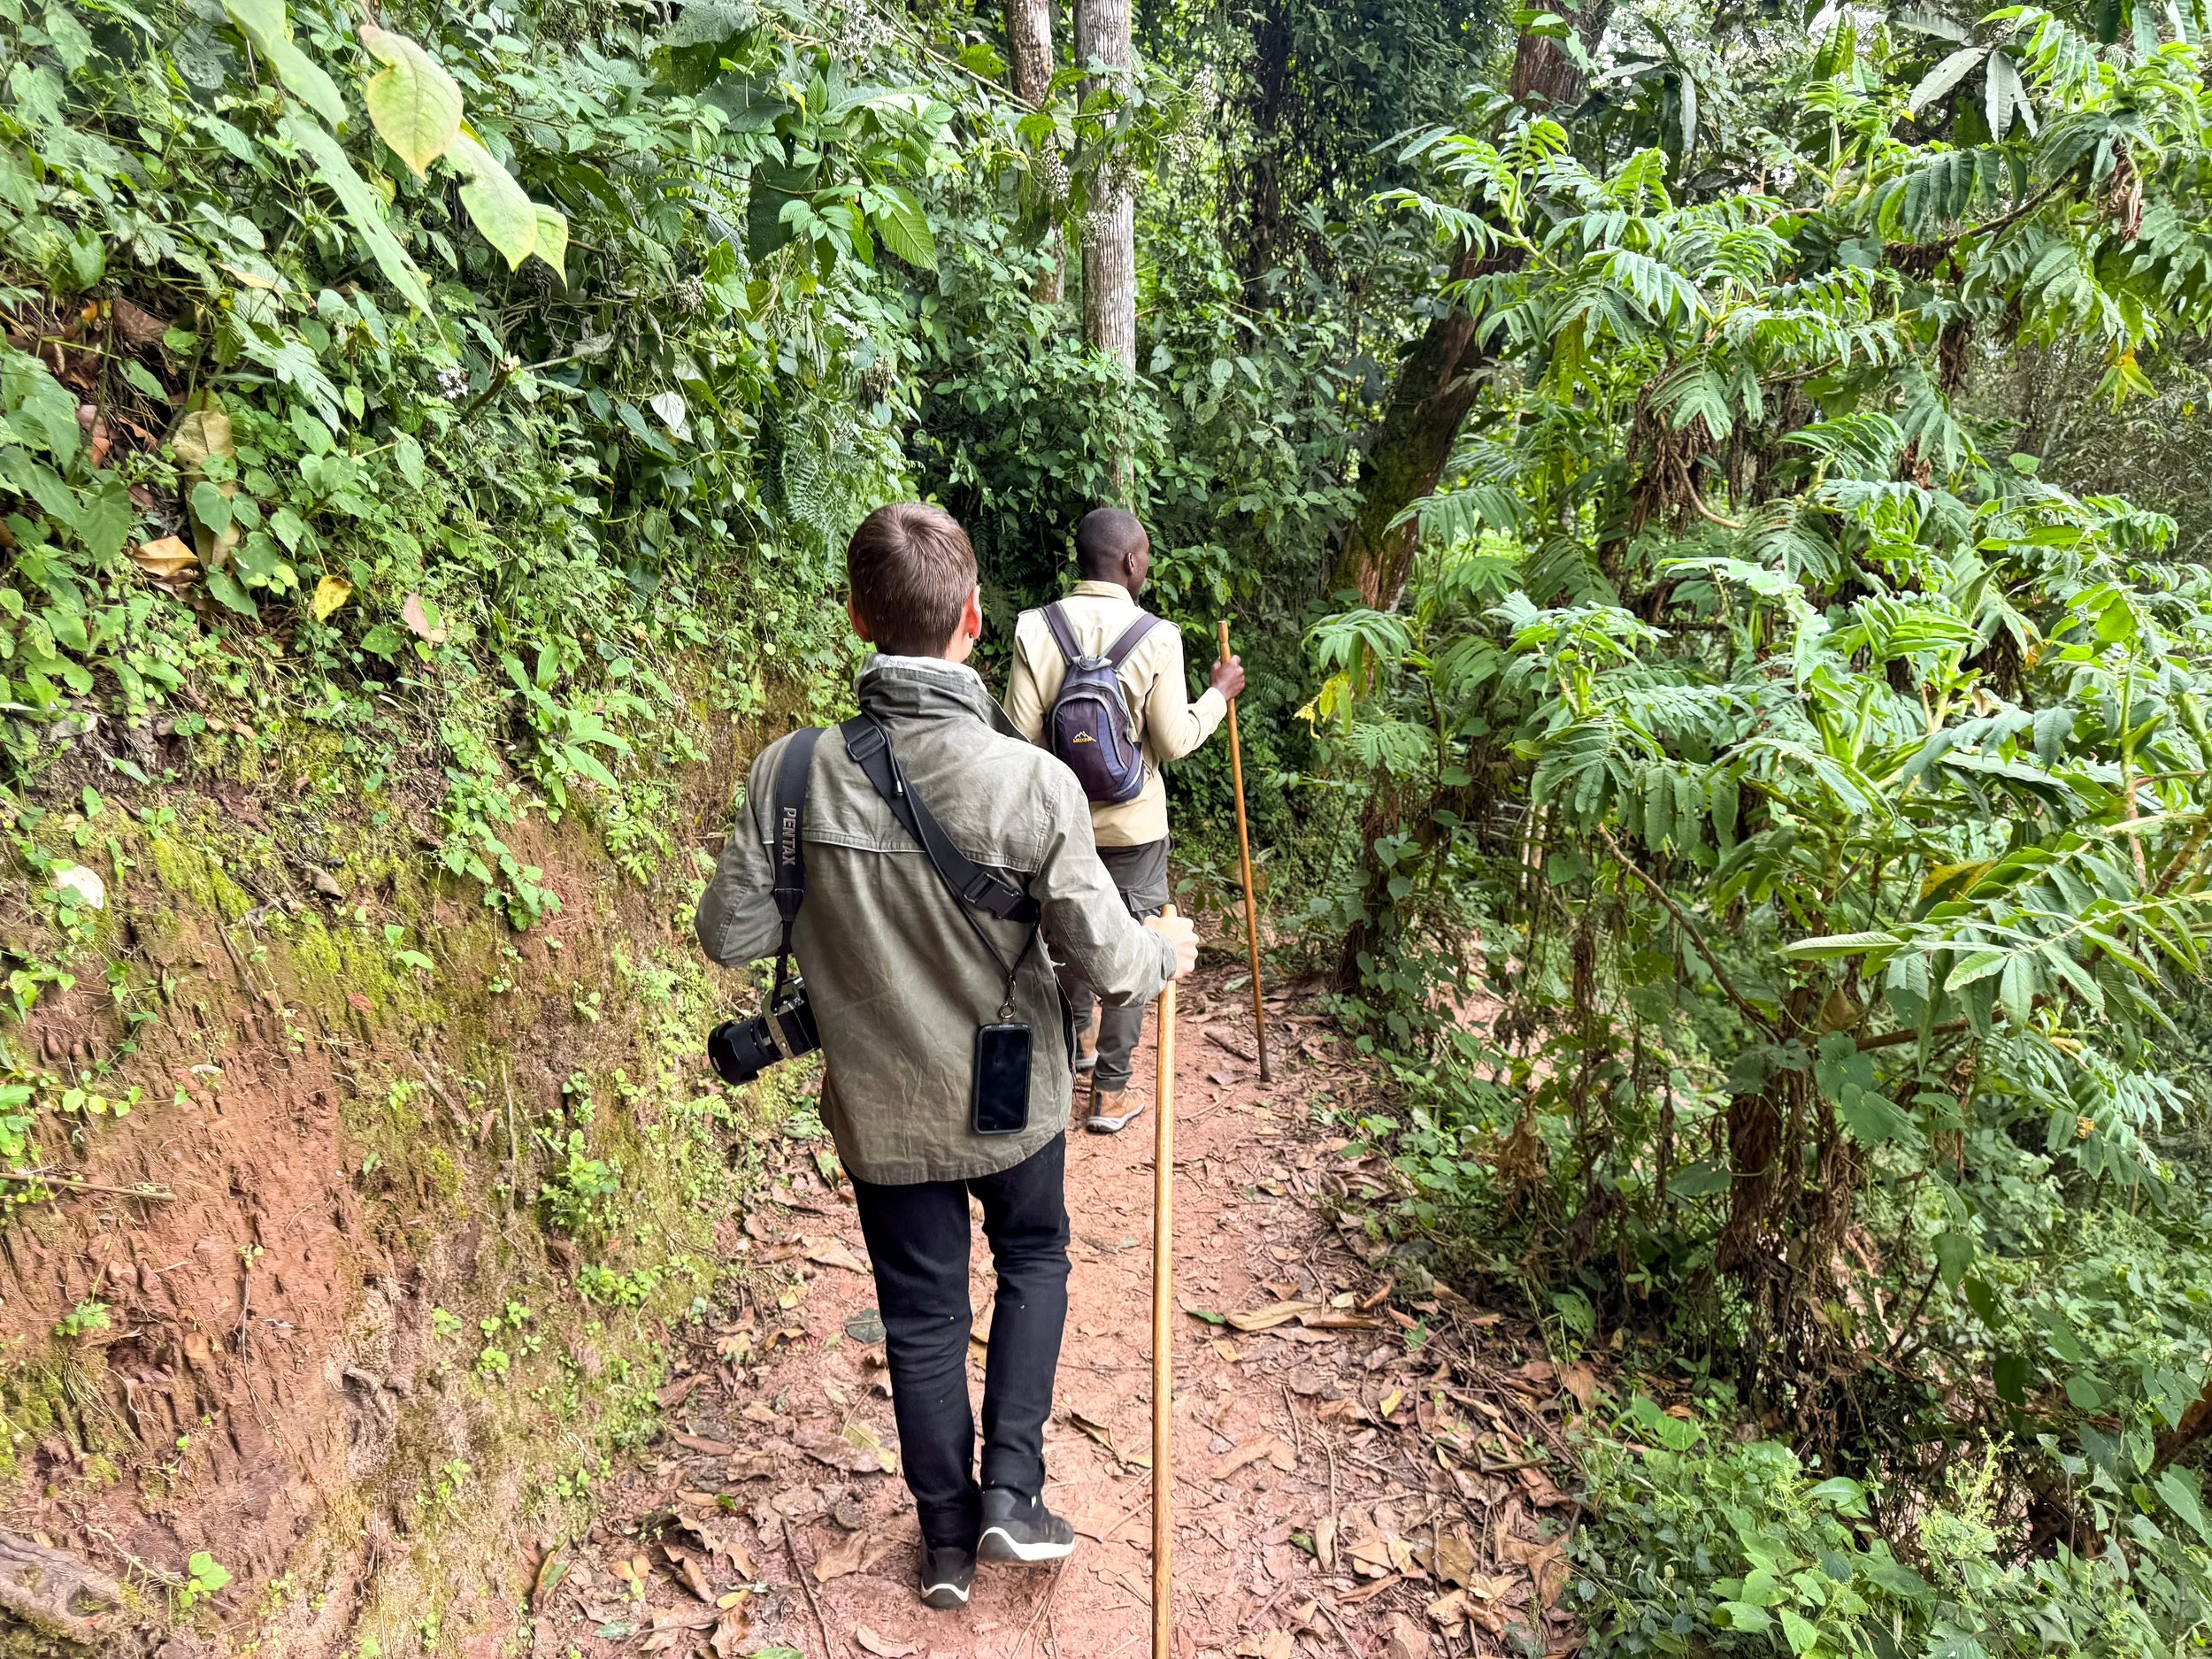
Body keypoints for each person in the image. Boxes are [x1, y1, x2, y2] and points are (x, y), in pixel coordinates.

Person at [695, 502, 1199, 1611]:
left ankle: (946, 1545)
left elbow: (729, 935)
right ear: (973, 619)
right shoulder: (1031, 784)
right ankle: (1013, 1493)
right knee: (1035, 1259)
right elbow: (1111, 966)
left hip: (882, 1103)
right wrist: (1167, 947)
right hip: (1012, 1093)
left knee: (921, 1311)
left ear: (856, 617)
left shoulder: (791, 774)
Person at [1003, 506, 1245, 1132]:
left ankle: (1077, 1042)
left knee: (1066, 928)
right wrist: (1218, 694)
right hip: (1135, 829)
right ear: (1131, 562)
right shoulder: (1158, 636)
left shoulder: (1036, 628)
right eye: (1146, 557)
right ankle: (1109, 1091)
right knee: (1142, 940)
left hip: (1060, 828)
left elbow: (1017, 742)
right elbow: (1172, 740)